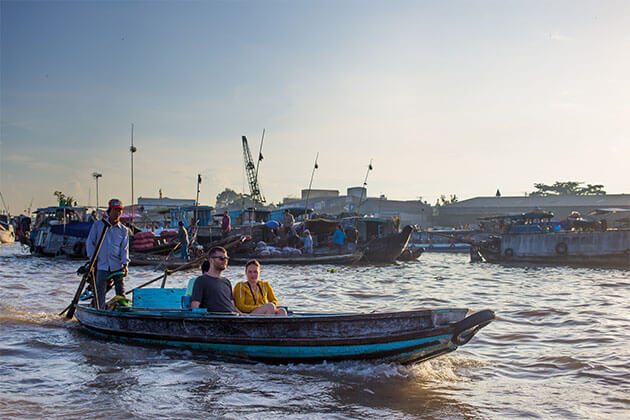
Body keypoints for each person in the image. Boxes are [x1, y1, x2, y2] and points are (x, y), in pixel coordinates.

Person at [86, 198, 130, 310]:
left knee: (121, 292)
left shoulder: (123, 230)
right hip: (102, 265)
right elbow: (90, 243)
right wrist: (93, 260)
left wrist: (125, 264)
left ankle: (122, 312)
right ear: (109, 212)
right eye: (115, 211)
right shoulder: (98, 225)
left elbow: (124, 248)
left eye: (119, 211)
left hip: (117, 265)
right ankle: (100, 311)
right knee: (100, 291)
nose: (117, 214)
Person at [190, 246, 241, 313]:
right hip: (215, 319)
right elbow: (195, 306)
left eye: (226, 258)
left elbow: (232, 305)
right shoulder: (201, 280)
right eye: (221, 258)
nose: (225, 261)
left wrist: (242, 314)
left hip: (232, 317)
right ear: (211, 260)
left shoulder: (226, 281)